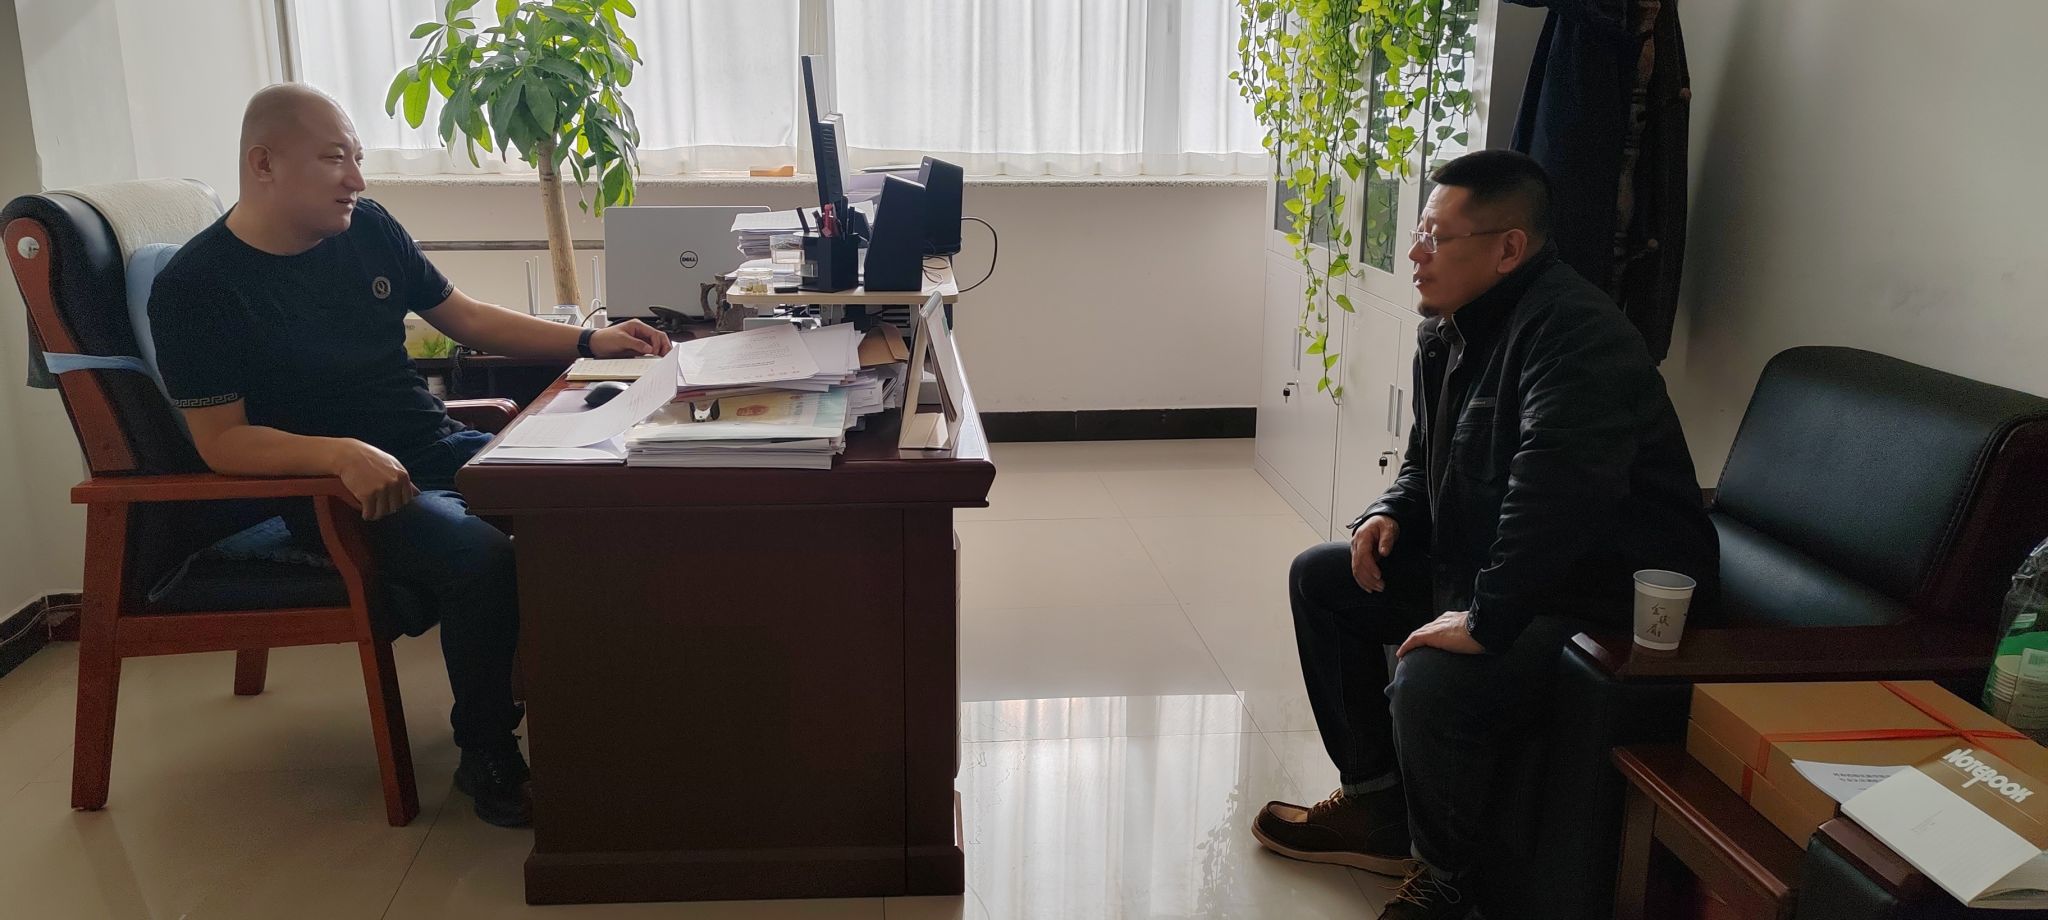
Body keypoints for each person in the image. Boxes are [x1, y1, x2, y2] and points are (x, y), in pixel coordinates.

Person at [146, 84, 672, 828]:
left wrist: (592, 341)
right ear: (263, 164)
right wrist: (340, 454)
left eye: (357, 157)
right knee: (481, 558)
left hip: (434, 445)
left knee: (587, 497)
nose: (357, 179)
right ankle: (486, 752)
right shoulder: (196, 287)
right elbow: (221, 442)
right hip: (332, 492)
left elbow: (468, 317)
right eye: (335, 159)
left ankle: (605, 717)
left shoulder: (368, 228)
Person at [1250, 150, 1718, 919]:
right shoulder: (1448, 332)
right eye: (1418, 233)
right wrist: (1389, 513)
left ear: (1509, 249)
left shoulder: (1577, 337)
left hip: (1592, 601)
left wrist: (1483, 619)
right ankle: (1377, 806)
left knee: (1430, 679)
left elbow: (1556, 501)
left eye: (1436, 237)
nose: (1415, 254)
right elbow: (1424, 462)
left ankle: (1450, 879)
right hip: (1496, 571)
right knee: (1323, 578)